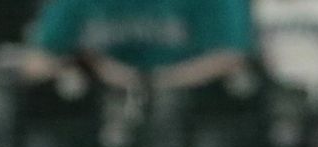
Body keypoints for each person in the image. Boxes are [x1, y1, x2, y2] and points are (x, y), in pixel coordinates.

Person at [27, 0, 253, 90]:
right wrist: (90, 65)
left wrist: (153, 81)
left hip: (194, 107)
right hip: (98, 105)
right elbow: (39, 60)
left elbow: (232, 56)